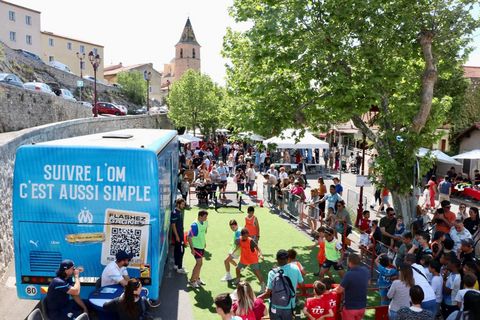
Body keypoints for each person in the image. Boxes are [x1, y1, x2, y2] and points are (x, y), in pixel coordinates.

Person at [258, 249, 304, 320]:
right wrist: (302, 292)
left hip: (275, 306)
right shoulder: (295, 268)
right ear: (288, 258)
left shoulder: (272, 273)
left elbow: (268, 293)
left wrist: (257, 298)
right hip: (289, 305)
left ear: (277, 259)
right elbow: (302, 284)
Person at [334, 253, 370, 320]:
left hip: (350, 307)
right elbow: (368, 283)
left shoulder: (349, 274)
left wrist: (332, 290)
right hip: (362, 307)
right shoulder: (366, 270)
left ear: (349, 262)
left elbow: (339, 290)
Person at [188, 210, 209, 288]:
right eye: (205, 217)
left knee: (200, 264)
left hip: (201, 246)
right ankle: (192, 281)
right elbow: (189, 237)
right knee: (199, 264)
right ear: (200, 216)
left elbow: (203, 233)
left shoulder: (205, 222)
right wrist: (192, 249)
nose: (206, 218)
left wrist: (204, 242)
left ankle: (197, 279)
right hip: (196, 247)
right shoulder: (194, 225)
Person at [171, 198, 187, 274]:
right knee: (181, 251)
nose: (184, 206)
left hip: (180, 235)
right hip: (178, 236)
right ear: (178, 204)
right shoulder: (175, 213)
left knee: (177, 250)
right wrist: (177, 236)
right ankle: (179, 268)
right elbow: (173, 225)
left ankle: (176, 265)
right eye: (182, 204)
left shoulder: (179, 212)